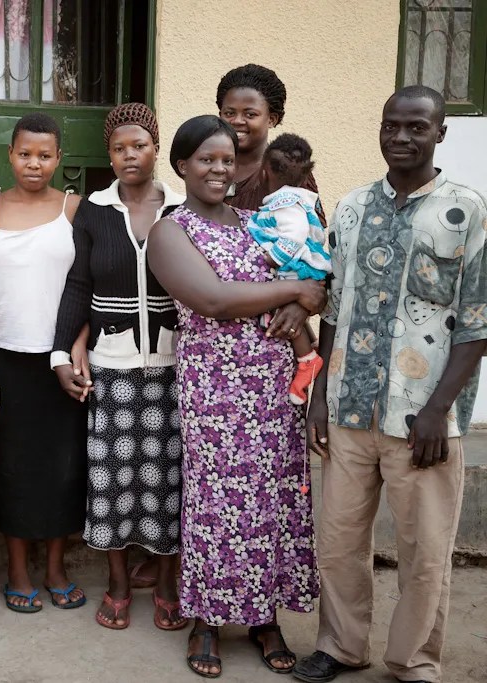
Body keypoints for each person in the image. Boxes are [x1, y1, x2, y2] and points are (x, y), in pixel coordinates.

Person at [294, 86, 487, 683]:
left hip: (422, 420)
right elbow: (333, 310)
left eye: (416, 127)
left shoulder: (467, 210)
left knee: (424, 553)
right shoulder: (351, 208)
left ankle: (414, 661)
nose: (401, 137)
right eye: (392, 126)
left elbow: (478, 320)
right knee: (339, 543)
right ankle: (342, 646)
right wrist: (320, 395)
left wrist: (440, 410)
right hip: (349, 412)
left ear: (439, 134)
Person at [148, 115, 325, 678]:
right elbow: (215, 300)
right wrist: (293, 290)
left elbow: (314, 279)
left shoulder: (260, 223)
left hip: (275, 390)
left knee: (272, 501)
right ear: (182, 165)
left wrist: (301, 301)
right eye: (206, 159)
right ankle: (206, 620)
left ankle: (264, 618)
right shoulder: (170, 231)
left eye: (226, 159)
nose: (219, 169)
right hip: (216, 393)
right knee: (216, 505)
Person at [52, 103, 186, 632]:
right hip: (111, 366)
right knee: (109, 480)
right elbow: (79, 285)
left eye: (140, 146)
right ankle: (119, 583)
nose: (130, 156)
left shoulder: (181, 209)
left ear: (156, 148)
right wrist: (63, 352)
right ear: (108, 155)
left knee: (170, 481)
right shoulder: (94, 211)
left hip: (177, 367)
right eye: (119, 148)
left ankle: (169, 582)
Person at [0, 113, 86, 612]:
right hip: (2, 353)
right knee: (12, 465)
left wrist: (78, 344)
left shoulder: (72, 208)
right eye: (25, 153)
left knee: (63, 465)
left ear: (58, 159)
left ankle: (56, 565)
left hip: (60, 357)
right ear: (11, 154)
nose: (34, 163)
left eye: (45, 155)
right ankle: (18, 569)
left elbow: (90, 286)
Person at [245, 133, 330, 405]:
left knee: (280, 309)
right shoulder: (301, 198)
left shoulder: (285, 201)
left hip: (298, 266)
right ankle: (310, 344)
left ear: (265, 170)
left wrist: (273, 257)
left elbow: (294, 235)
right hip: (306, 265)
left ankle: (307, 361)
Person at [216, 63, 324, 222]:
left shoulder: (288, 170)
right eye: (229, 113)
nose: (237, 121)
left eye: (250, 114)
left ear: (272, 119)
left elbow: (307, 234)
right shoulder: (209, 165)